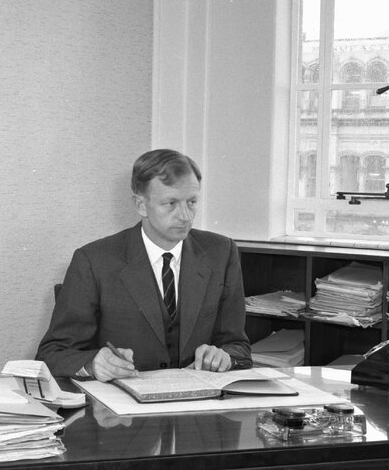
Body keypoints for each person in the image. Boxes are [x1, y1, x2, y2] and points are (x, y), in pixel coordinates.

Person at [36, 149, 251, 381]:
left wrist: (225, 357)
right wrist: (92, 363)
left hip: (199, 406)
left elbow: (237, 346)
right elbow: (51, 354)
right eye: (170, 203)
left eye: (192, 202)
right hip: (123, 411)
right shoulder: (94, 261)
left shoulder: (221, 252)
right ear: (140, 205)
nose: (185, 215)